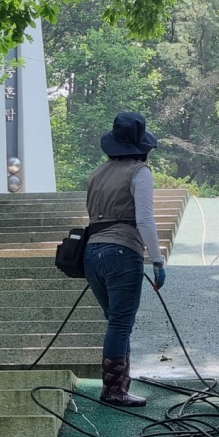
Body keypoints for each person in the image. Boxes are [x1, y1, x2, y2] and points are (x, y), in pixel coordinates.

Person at [84, 112, 166, 407]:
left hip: (91, 254)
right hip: (122, 252)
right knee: (120, 324)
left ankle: (120, 384)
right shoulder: (139, 172)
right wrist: (156, 260)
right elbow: (144, 219)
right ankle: (114, 390)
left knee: (116, 321)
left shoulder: (96, 173)